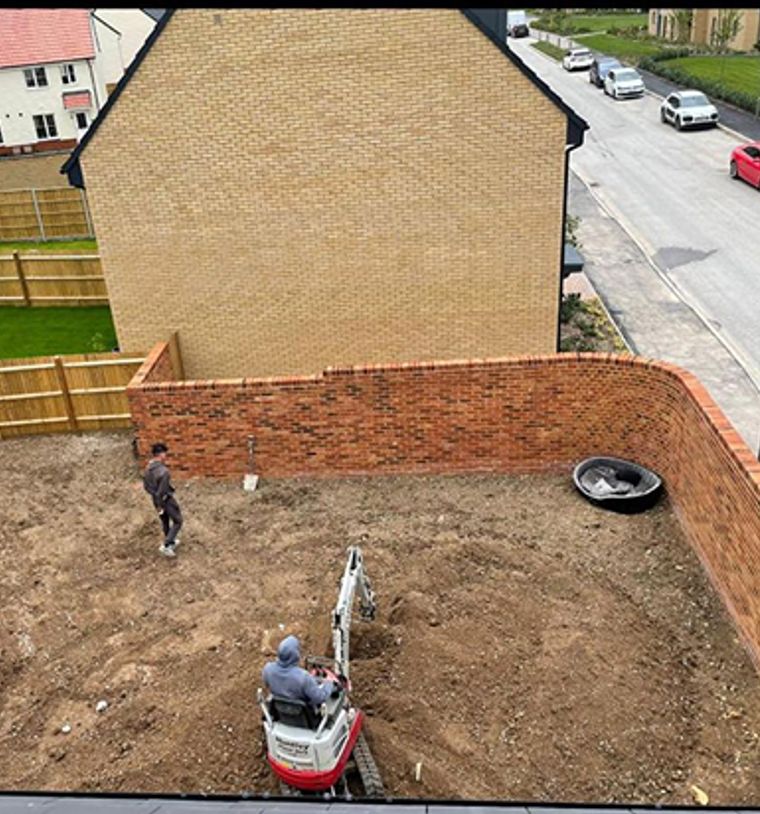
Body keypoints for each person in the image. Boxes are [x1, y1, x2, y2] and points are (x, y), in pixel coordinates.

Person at [262, 635, 338, 708]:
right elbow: (320, 698)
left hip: (281, 713)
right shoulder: (304, 677)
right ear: (295, 654)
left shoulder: (268, 669)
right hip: (305, 718)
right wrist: (329, 683)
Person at [142, 442, 183, 558]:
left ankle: (170, 541)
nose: (166, 456)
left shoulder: (147, 469)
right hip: (166, 500)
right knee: (178, 520)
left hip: (154, 499)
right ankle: (166, 545)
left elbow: (146, 487)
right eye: (165, 453)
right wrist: (161, 504)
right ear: (161, 454)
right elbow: (162, 491)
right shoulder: (164, 472)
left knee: (165, 521)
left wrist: (157, 503)